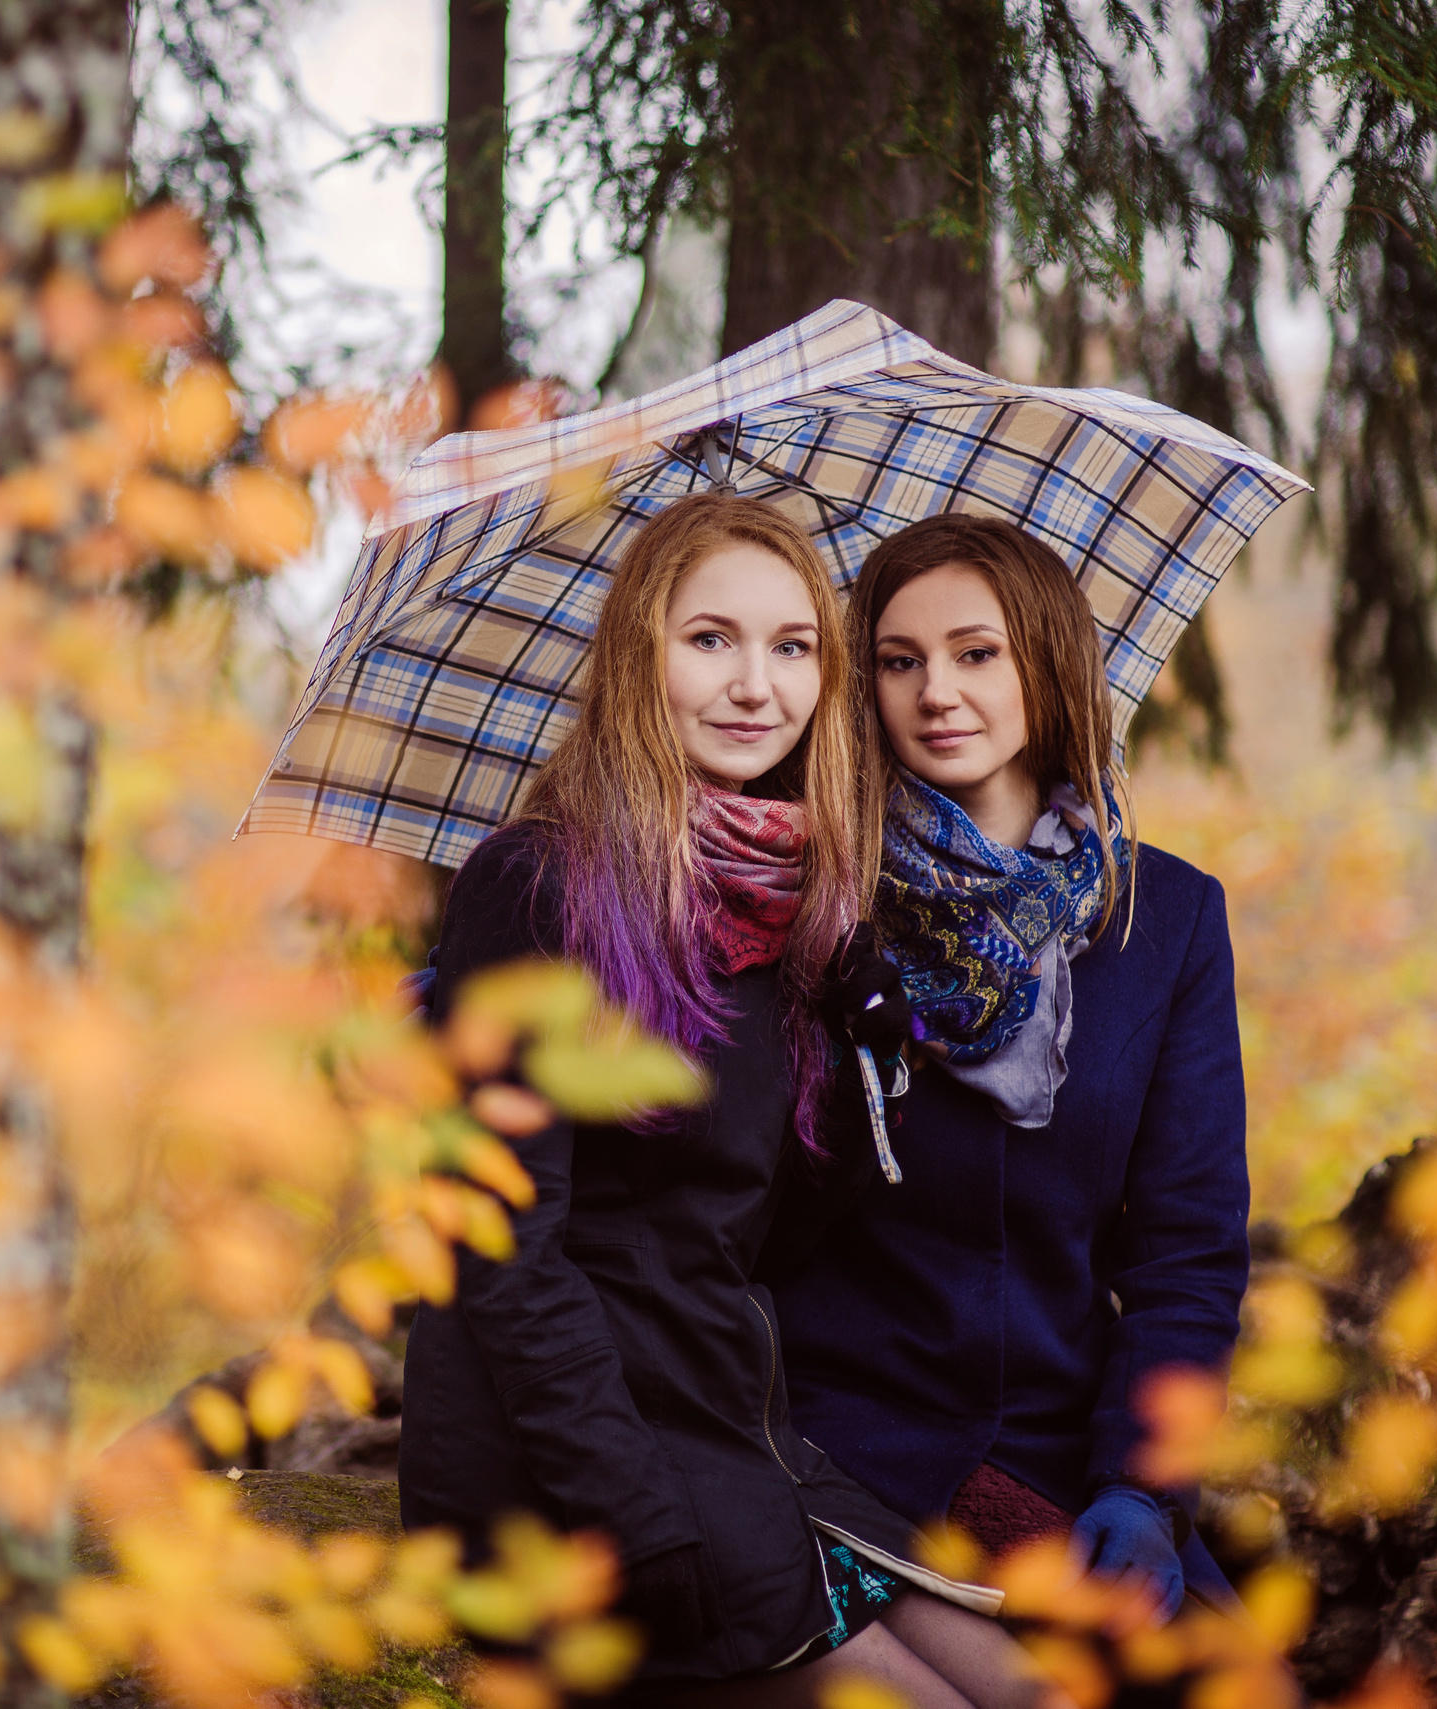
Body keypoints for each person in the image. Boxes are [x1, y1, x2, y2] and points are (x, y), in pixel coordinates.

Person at [401, 492, 1050, 1708]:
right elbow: (500, 1249)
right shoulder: (537, 886)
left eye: (793, 646)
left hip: (731, 1431)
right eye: (711, 640)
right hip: (579, 1470)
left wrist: (869, 1040)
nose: (757, 684)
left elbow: (774, 1228)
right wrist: (635, 1516)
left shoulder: (789, 904)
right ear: (639, 657)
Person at [768, 513, 1251, 1622]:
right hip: (847, 1424)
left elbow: (1187, 1246)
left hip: (1071, 1437)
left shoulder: (1163, 916)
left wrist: (1143, 1480)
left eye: (975, 653)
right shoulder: (811, 896)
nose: (936, 690)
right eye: (898, 661)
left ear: (1047, 662)